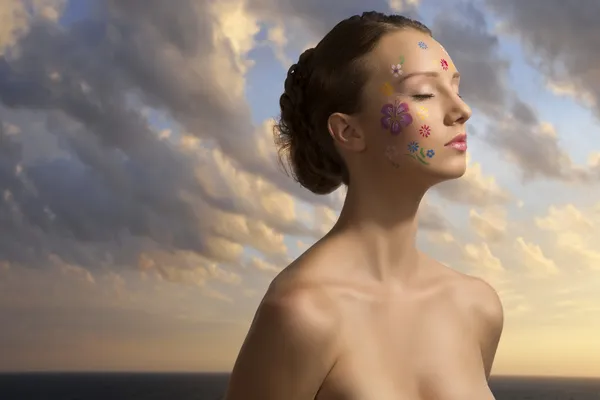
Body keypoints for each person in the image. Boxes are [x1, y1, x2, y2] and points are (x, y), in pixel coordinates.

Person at [224, 11, 504, 400]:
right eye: (424, 93)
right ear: (348, 131)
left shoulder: (478, 308)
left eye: (455, 87)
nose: (461, 110)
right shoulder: (301, 314)